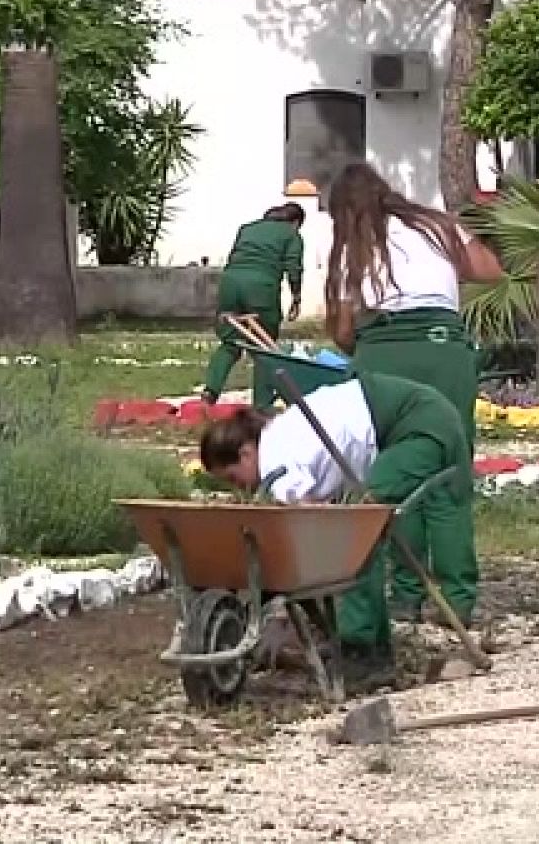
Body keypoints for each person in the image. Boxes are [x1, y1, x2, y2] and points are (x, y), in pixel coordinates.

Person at [199, 372, 474, 690]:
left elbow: (301, 507)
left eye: (235, 478)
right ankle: (375, 650)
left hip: (419, 426)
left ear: (246, 452)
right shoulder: (284, 434)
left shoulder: (275, 455)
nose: (242, 487)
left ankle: (363, 649)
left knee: (357, 531)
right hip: (417, 415)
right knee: (363, 524)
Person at [325, 162, 504, 625]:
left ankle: (406, 593)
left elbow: (343, 331)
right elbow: (490, 269)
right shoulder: (435, 226)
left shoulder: (353, 250)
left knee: (395, 470)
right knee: (448, 472)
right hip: (443, 351)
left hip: (382, 358)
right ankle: (458, 600)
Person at [202, 203, 307, 408]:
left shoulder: (247, 228)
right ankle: (262, 404)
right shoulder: (291, 234)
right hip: (261, 288)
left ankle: (209, 392)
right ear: (296, 222)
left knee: (230, 342)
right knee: (264, 347)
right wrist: (296, 297)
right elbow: (294, 267)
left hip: (230, 284)